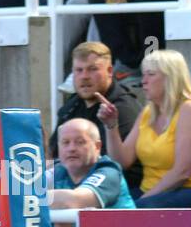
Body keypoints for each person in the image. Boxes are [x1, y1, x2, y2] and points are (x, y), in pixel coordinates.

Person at [98, 48, 191, 207]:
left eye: (151, 74)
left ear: (171, 78)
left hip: (188, 191)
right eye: (143, 74)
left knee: (132, 210)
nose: (143, 81)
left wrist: (139, 203)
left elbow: (182, 172)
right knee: (104, 205)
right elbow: (122, 161)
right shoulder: (148, 112)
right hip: (149, 192)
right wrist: (111, 125)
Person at [48, 41, 142, 189]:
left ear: (110, 71)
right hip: (76, 183)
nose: (84, 77)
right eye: (79, 70)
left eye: (92, 69)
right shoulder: (72, 105)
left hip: (118, 189)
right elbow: (54, 153)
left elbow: (113, 165)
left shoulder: (123, 108)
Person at [48, 117, 134, 227]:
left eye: (80, 142)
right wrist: (56, 213)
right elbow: (13, 189)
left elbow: (72, 201)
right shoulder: (59, 169)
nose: (71, 149)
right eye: (65, 143)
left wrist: (59, 212)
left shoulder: (109, 172)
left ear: (97, 146)